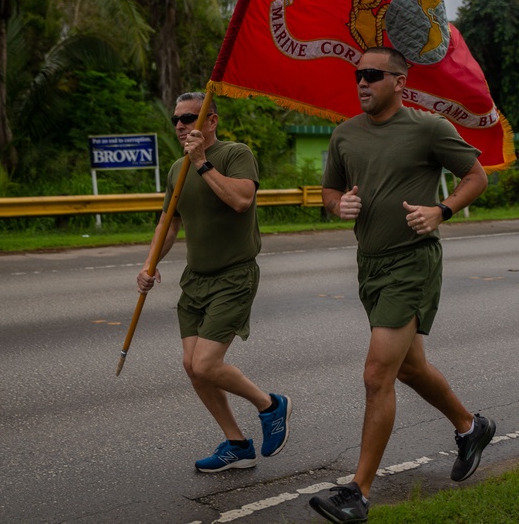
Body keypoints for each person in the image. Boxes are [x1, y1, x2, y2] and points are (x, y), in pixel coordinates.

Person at [309, 47, 495, 524]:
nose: (362, 82)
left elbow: (476, 176)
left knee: (377, 375)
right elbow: (330, 190)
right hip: (369, 265)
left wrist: (441, 210)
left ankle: (359, 494)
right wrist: (337, 206)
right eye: (358, 75)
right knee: (410, 369)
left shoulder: (427, 128)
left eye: (372, 74)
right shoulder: (344, 134)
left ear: (399, 82)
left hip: (412, 263)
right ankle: (470, 426)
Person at [137, 91, 291, 473]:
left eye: (189, 118)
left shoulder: (234, 154)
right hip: (196, 280)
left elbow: (241, 200)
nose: (180, 126)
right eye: (176, 119)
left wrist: (202, 162)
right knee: (192, 366)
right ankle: (237, 444)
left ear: (211, 121)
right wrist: (149, 264)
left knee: (206, 364)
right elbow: (169, 222)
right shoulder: (176, 169)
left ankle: (271, 406)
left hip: (233, 275)